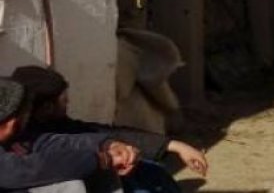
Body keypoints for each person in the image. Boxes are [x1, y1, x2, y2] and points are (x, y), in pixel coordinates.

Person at [12, 66, 208, 189]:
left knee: (153, 172)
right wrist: (106, 155)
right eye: (63, 100)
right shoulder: (22, 139)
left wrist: (173, 145)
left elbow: (92, 133)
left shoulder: (55, 123)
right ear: (46, 107)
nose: (68, 102)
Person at [0, 77, 139, 192]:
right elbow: (27, 169)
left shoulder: (18, 137)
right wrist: (98, 160)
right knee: (71, 186)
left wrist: (107, 145)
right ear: (11, 124)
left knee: (98, 171)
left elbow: (53, 142)